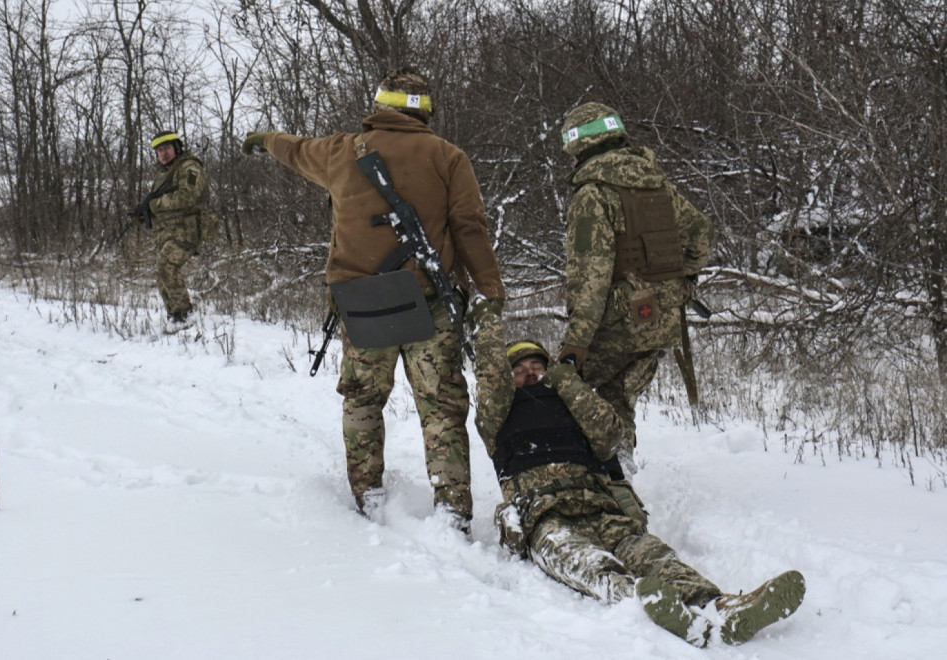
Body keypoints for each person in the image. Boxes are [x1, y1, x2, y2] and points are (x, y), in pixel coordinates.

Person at [241, 69, 505, 530]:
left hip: (363, 305)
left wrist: (265, 139)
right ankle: (452, 511)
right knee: (441, 406)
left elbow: (295, 150)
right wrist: (490, 290)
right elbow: (469, 229)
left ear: (379, 105)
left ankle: (369, 497)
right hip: (430, 304)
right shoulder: (449, 157)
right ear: (424, 110)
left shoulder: (340, 151)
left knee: (362, 400)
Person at [467, 296, 804, 647]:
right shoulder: (498, 416)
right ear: (506, 379)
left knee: (654, 556)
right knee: (589, 565)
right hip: (543, 516)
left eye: (536, 365)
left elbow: (610, 435)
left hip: (599, 507)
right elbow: (490, 381)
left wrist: (567, 383)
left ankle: (719, 606)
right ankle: (649, 605)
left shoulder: (572, 404)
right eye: (518, 370)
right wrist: (487, 320)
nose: (529, 373)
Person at [556, 102, 715, 460]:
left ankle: (580, 471)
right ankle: (620, 465)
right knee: (618, 395)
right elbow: (703, 235)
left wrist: (577, 342)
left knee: (564, 391)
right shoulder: (658, 185)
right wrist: (683, 278)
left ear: (580, 145)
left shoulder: (592, 194)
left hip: (619, 322)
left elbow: (590, 276)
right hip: (663, 319)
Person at [133, 130, 211, 328]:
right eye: (159, 150)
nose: (164, 153)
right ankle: (174, 316)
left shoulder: (190, 168)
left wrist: (154, 205)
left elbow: (187, 197)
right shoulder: (163, 174)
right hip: (168, 232)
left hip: (188, 231)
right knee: (162, 274)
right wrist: (144, 214)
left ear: (177, 148)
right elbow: (163, 206)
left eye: (167, 148)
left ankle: (184, 315)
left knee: (167, 266)